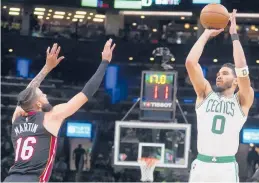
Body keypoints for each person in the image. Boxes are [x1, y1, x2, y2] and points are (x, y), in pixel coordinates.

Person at [4, 39, 116, 182]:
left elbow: (26, 94)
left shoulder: (17, 119)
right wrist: (104, 63)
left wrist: (47, 67)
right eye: (42, 94)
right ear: (38, 103)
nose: (45, 95)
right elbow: (86, 93)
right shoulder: (51, 117)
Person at [186, 10, 254, 182]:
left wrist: (234, 36)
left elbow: (242, 69)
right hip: (201, 164)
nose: (219, 76)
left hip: (226, 167)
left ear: (236, 81)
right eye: (218, 73)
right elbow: (190, 63)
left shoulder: (242, 100)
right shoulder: (205, 94)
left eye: (224, 73)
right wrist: (206, 34)